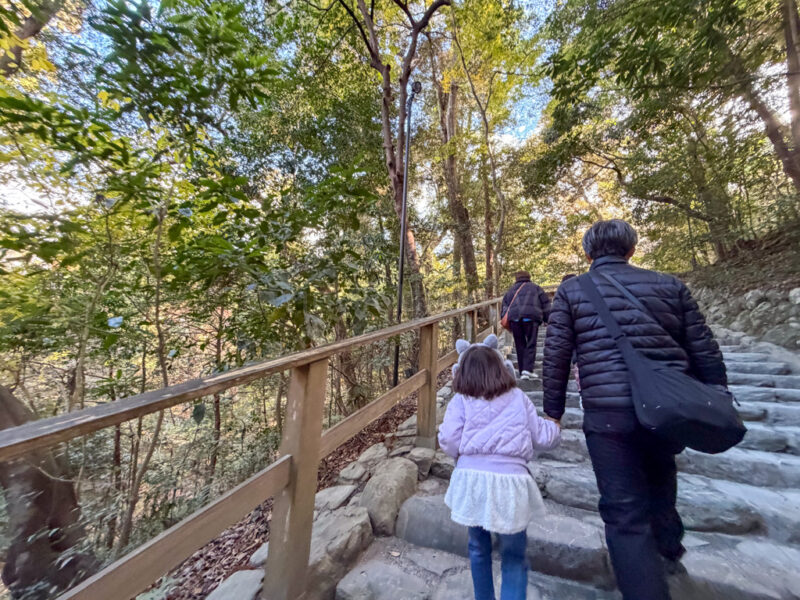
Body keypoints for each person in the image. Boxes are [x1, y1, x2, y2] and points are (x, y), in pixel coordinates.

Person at [542, 219, 727, 600]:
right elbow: (702, 346)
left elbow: (556, 354)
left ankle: (645, 586)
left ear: (588, 253)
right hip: (666, 408)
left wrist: (553, 410)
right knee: (661, 480)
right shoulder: (670, 285)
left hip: (607, 413)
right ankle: (669, 552)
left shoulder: (572, 290)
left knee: (623, 507)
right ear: (631, 250)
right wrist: (717, 392)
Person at [439, 335, 561, 600]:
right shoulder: (518, 397)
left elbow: (448, 439)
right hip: (511, 484)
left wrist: (461, 457)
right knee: (514, 555)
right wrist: (556, 425)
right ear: (501, 367)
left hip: (473, 482)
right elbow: (541, 436)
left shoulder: (460, 400)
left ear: (462, 372)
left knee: (478, 549)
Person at [501, 271, 552, 380]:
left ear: (516, 278)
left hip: (514, 320)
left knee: (519, 345)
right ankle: (527, 369)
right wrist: (548, 319)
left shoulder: (510, 291)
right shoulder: (536, 288)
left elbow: (504, 306)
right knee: (531, 343)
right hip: (531, 318)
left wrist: (507, 320)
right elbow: (545, 304)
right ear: (529, 277)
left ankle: (522, 371)